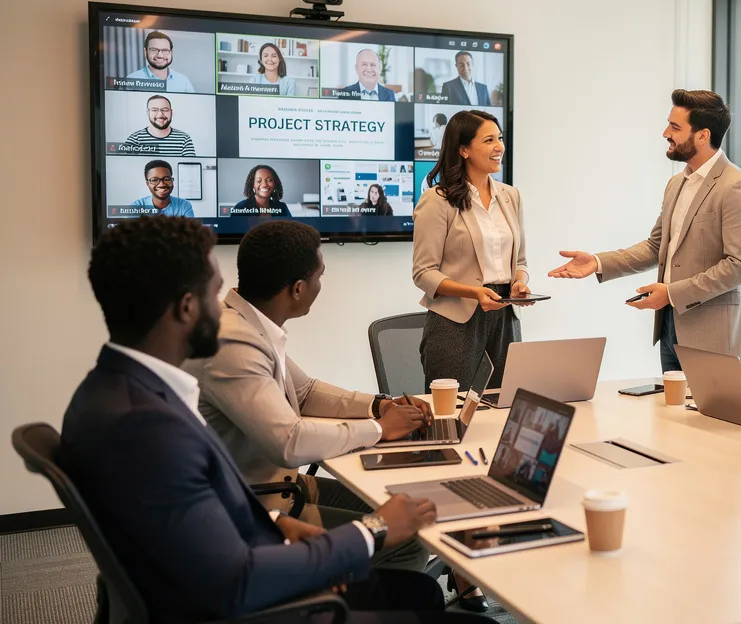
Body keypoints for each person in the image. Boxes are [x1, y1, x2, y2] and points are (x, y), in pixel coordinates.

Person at [61, 215, 488, 623]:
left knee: (421, 592)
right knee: (433, 598)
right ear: (187, 308)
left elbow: (190, 518)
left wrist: (275, 523)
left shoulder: (116, 394)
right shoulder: (148, 429)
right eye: (214, 292)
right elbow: (236, 581)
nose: (224, 304)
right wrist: (371, 530)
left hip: (240, 557)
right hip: (254, 605)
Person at [185, 220, 431, 574]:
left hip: (282, 487)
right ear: (298, 288)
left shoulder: (247, 324)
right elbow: (289, 441)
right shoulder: (233, 343)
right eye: (320, 276)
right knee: (407, 539)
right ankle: (348, 603)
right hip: (260, 506)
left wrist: (378, 405)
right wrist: (379, 428)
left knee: (390, 503)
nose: (321, 285)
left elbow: (305, 391)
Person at [549, 89, 741, 371]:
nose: (665, 133)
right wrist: (598, 262)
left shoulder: (737, 187)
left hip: (715, 338)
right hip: (670, 330)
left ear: (702, 135)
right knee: (673, 415)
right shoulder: (677, 183)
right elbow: (656, 246)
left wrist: (673, 294)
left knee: (706, 417)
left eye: (675, 127)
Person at [413, 110, 530, 392]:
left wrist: (521, 283)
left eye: (499, 139)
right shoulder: (437, 200)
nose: (499, 147)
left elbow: (521, 261)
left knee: (507, 405)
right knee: (450, 414)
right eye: (489, 140)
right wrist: (473, 292)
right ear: (463, 149)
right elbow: (423, 274)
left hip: (505, 317)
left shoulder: (510, 196)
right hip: (455, 322)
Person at [122, 95, 195, 155]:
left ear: (171, 112)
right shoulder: (135, 139)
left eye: (165, 110)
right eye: (154, 110)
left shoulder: (184, 139)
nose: (160, 114)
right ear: (148, 113)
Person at [124, 30, 196, 92]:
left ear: (171, 52)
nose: (160, 55)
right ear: (145, 51)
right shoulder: (131, 79)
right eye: (154, 50)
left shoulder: (183, 81)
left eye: (165, 50)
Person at [130, 159, 195, 217]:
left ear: (172, 181)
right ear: (148, 184)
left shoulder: (184, 206)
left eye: (166, 179)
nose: (161, 184)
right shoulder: (137, 206)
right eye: (155, 180)